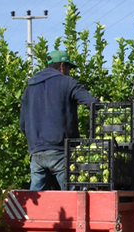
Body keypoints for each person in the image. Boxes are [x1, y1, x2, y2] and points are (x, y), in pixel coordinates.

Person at [19, 49, 98, 190]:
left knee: (35, 200)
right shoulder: (67, 83)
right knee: (71, 199)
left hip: (36, 153)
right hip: (60, 151)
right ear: (62, 66)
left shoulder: (29, 88)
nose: (69, 72)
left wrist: (36, 141)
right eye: (68, 68)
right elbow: (93, 104)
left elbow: (23, 125)